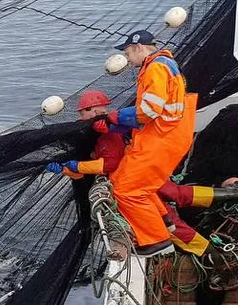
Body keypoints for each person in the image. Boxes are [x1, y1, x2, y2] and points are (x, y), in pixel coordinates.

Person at [47, 89, 228, 257]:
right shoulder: (93, 133)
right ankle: (229, 195)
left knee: (169, 221)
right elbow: (86, 176)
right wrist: (66, 169)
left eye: (98, 111)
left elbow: (110, 164)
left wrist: (77, 166)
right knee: (177, 193)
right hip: (143, 172)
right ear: (81, 113)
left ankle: (211, 255)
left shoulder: (106, 135)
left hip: (133, 179)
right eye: (89, 111)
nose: (94, 115)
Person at [106, 30, 197, 256]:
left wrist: (117, 118)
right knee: (126, 181)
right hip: (167, 136)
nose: (127, 59)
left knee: (126, 190)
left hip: (161, 139)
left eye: (128, 53)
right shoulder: (166, 64)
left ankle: (156, 240)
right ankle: (165, 221)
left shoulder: (156, 67)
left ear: (138, 47)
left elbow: (149, 110)